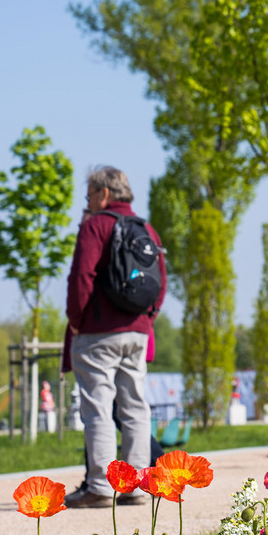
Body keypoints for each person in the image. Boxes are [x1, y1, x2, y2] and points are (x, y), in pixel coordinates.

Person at [63, 166, 167, 509]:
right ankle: (136, 485)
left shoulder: (96, 225)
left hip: (98, 332)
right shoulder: (146, 228)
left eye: (90, 195)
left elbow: (82, 277)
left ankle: (101, 486)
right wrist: (147, 319)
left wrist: (77, 321)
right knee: (136, 407)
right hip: (137, 332)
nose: (88, 202)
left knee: (98, 409)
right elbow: (161, 280)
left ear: (104, 194)